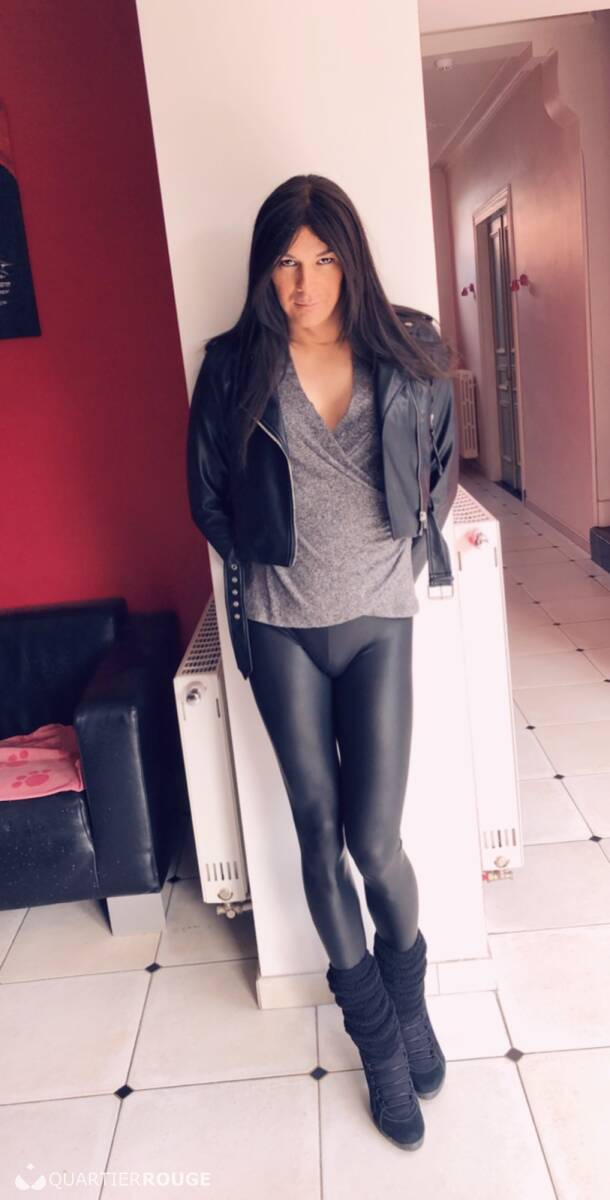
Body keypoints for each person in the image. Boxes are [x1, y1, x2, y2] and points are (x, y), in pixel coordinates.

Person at [186, 174, 460, 1151]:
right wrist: (270, 561)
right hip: (283, 629)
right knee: (318, 837)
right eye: (287, 263)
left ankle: (410, 1000)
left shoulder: (411, 350)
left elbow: (439, 469)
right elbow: (206, 496)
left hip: (381, 622)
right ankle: (380, 1045)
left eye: (324, 259)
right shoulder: (232, 368)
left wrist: (397, 558)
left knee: (375, 844)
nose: (305, 283)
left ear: (351, 261)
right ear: (266, 272)